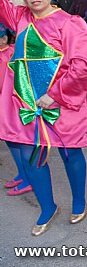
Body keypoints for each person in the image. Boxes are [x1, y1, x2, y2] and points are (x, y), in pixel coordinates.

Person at [0, 0, 87, 236]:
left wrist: (55, 95)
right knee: (30, 156)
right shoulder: (19, 17)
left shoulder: (71, 23)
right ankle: (48, 207)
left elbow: (81, 66)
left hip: (62, 104)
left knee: (70, 153)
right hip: (26, 103)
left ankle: (79, 202)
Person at [0, 23, 33, 196]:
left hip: (13, 102)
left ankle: (29, 178)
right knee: (9, 140)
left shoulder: (11, 53)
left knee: (18, 140)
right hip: (4, 103)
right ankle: (22, 173)